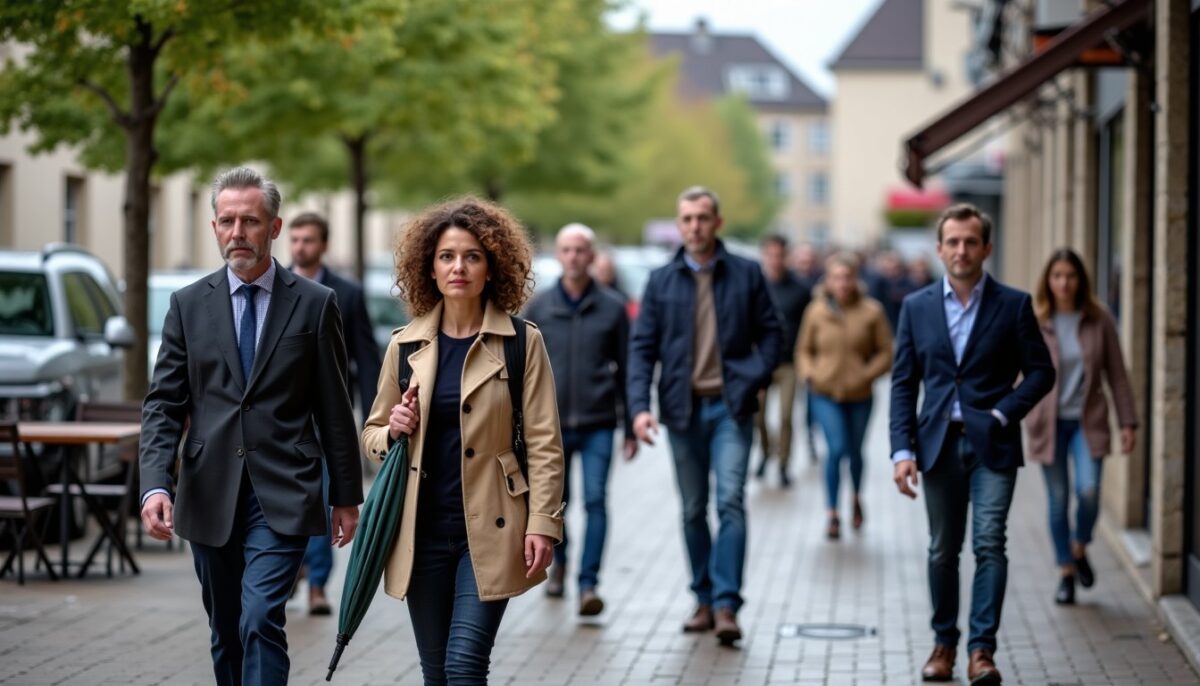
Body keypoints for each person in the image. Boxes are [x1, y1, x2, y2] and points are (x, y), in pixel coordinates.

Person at [140, 167, 363, 686]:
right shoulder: (187, 305)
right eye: (227, 221)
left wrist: (346, 496)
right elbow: (164, 404)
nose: (237, 232)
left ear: (275, 227)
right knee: (226, 628)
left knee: (261, 617)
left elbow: (333, 405)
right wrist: (155, 483)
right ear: (214, 227)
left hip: (283, 490)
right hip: (208, 490)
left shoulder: (314, 304)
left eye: (250, 221)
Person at [360, 197, 565, 684]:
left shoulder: (520, 341)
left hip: (492, 531)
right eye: (447, 256)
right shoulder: (405, 345)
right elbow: (370, 435)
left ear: (491, 268)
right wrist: (395, 429)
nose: (459, 267)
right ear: (429, 268)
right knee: (436, 673)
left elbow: (544, 443)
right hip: (419, 532)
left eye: (472, 256)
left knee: (464, 666)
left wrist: (543, 523)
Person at [889, 203, 1054, 685]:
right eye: (953, 242)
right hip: (937, 445)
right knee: (942, 549)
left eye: (970, 241)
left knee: (989, 543)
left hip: (993, 445)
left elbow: (1041, 372)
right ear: (939, 249)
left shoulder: (1014, 304)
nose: (961, 250)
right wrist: (902, 451)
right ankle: (943, 643)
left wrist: (1004, 411)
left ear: (987, 247)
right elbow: (903, 384)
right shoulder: (916, 307)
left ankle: (982, 651)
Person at [628, 186, 782, 645]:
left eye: (702, 218)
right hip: (682, 410)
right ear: (679, 225)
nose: (695, 226)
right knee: (693, 509)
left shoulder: (747, 274)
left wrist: (751, 376)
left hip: (731, 407)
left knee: (730, 500)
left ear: (718, 222)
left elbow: (774, 336)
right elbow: (642, 349)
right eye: (687, 219)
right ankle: (703, 597)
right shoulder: (660, 280)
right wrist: (639, 408)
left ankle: (727, 604)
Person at [525, 223, 636, 614]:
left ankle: (589, 584)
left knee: (595, 500)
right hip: (548, 429)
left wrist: (632, 421)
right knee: (556, 505)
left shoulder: (611, 307)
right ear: (559, 255)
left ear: (591, 256)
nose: (573, 256)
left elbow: (627, 367)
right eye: (567, 250)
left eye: (580, 250)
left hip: (599, 422)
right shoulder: (538, 309)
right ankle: (561, 566)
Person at [1023, 248, 1138, 605]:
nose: (1063, 283)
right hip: (1049, 423)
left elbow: (1117, 374)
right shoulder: (1035, 319)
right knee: (1058, 500)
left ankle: (1079, 546)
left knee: (1089, 492)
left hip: (1088, 423)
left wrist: (1128, 421)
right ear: (1048, 280)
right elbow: (1019, 372)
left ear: (1080, 280)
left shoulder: (1098, 319)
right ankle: (1066, 572)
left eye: (1070, 276)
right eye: (1056, 275)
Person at [287, 211, 382, 616]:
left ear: (323, 244)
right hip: (283, 417)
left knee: (325, 497)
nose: (300, 247)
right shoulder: (274, 286)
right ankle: (292, 572)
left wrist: (372, 415)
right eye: (295, 240)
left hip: (326, 416)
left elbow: (364, 354)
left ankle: (318, 585)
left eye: (308, 240)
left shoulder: (347, 292)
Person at [796, 252, 892, 539]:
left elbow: (886, 352)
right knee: (836, 449)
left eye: (847, 277)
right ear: (828, 280)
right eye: (836, 277)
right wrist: (809, 373)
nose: (842, 283)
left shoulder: (871, 311)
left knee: (855, 452)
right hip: (824, 393)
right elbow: (803, 349)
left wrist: (866, 374)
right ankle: (832, 512)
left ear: (855, 279)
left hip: (860, 393)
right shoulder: (816, 311)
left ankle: (856, 497)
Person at [753, 235, 811, 487]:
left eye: (779, 255)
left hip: (789, 363)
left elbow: (809, 327)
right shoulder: (756, 285)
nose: (775, 260)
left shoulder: (799, 289)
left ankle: (784, 462)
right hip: (761, 363)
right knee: (759, 417)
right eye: (771, 255)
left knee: (787, 415)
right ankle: (766, 452)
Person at [791, 242, 823, 464]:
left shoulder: (820, 284)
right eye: (801, 260)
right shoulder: (791, 282)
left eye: (808, 260)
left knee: (811, 400)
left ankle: (811, 435)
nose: (805, 264)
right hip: (791, 351)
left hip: (814, 352)